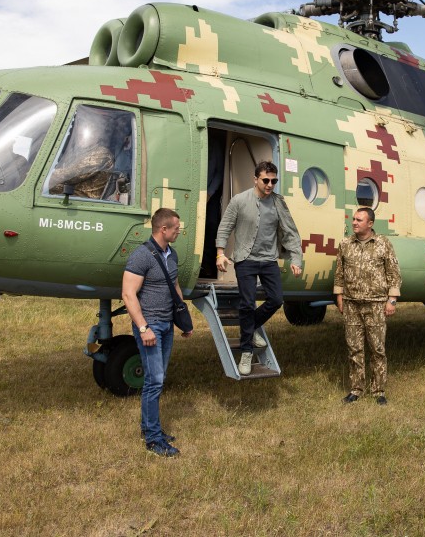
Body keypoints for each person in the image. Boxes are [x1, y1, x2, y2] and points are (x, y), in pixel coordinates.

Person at [215, 161, 303, 376]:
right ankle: (246, 351)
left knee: (276, 299)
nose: (270, 184)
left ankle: (251, 325)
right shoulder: (239, 201)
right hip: (245, 259)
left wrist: (296, 259)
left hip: (269, 260)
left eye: (274, 181)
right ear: (255, 179)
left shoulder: (278, 203)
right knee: (247, 303)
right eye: (266, 180)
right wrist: (220, 253)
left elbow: (291, 232)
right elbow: (225, 227)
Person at [122, 208, 194, 457]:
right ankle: (153, 440)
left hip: (166, 324)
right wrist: (143, 328)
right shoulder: (141, 256)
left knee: (157, 379)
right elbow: (128, 294)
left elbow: (174, 286)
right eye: (176, 228)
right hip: (150, 325)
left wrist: (183, 321)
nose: (179, 232)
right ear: (163, 229)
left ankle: (148, 428)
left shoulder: (171, 254)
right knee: (155, 381)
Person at [333, 207, 401, 405]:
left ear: (370, 223)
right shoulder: (345, 244)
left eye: (359, 220)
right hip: (351, 303)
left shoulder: (383, 243)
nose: (354, 223)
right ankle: (356, 389)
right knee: (354, 348)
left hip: (376, 303)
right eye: (354, 219)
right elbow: (339, 273)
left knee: (377, 349)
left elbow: (393, 272)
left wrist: (392, 299)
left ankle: (378, 391)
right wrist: (339, 296)